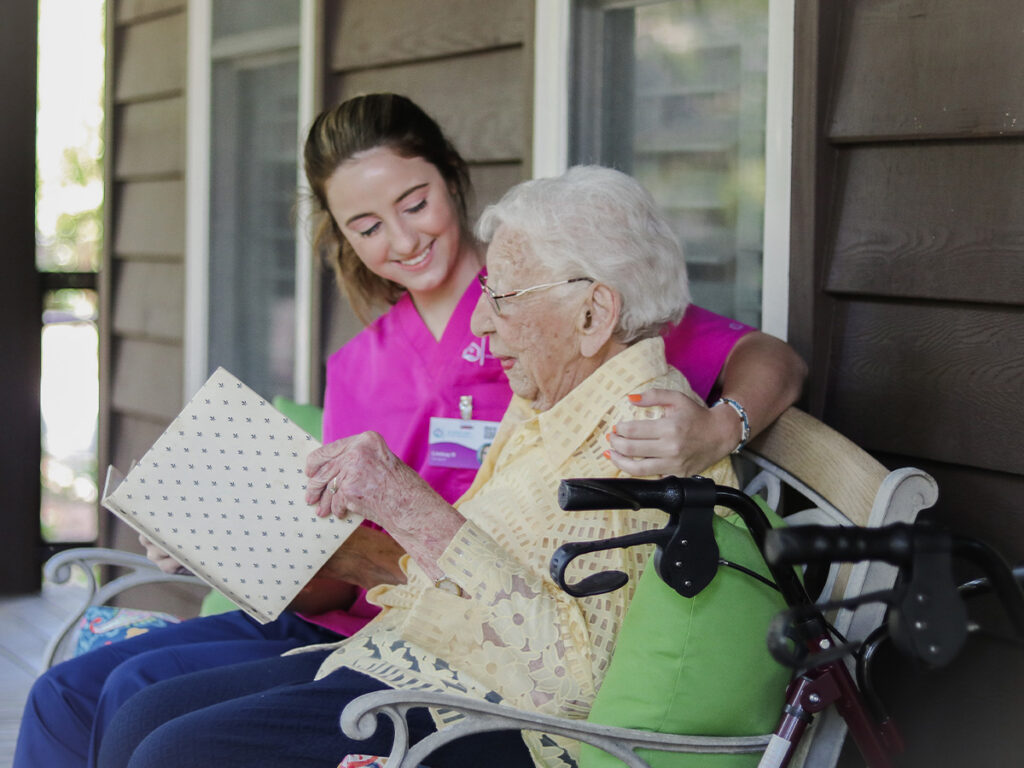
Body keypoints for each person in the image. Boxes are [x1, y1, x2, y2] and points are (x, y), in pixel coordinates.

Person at [14, 94, 804, 768]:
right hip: (392, 627)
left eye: (414, 203)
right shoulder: (425, 370)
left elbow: (763, 358)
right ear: (342, 236)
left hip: (448, 663)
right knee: (100, 698)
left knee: (155, 725)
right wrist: (226, 538)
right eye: (366, 225)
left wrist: (719, 426)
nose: (401, 240)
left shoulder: (621, 379)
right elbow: (356, 566)